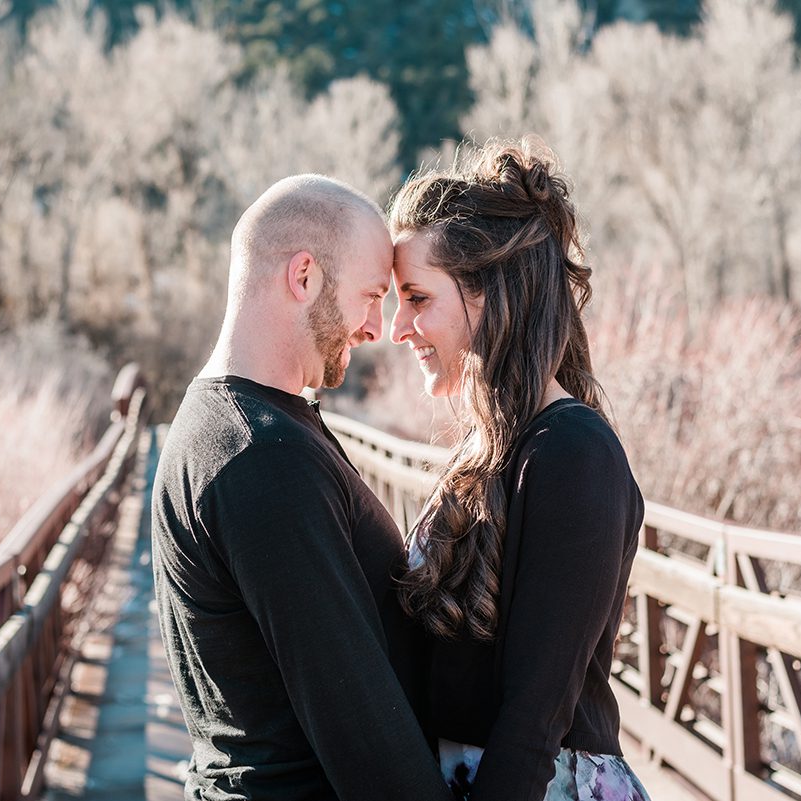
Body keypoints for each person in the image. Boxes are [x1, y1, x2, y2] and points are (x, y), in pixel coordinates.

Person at [151, 174, 454, 801]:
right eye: (371, 296)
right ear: (305, 276)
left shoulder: (229, 428)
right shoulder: (262, 458)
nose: (376, 328)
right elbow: (359, 722)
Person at [387, 139, 652, 801]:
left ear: (488, 296)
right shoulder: (492, 450)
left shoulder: (572, 454)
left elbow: (537, 715)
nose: (398, 327)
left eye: (418, 297)